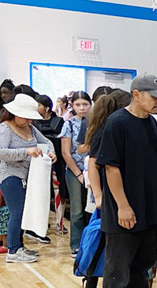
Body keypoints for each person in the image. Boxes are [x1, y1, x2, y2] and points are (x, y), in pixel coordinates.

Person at [95, 74, 157, 288]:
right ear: (137, 94)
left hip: (149, 206)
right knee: (119, 267)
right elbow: (111, 167)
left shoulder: (150, 122)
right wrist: (123, 206)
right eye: (154, 97)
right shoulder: (117, 123)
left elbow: (149, 159)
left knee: (143, 264)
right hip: (124, 210)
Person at [84, 89, 133, 288]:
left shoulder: (117, 129)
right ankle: (89, 286)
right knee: (99, 241)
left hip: (114, 194)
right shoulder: (104, 132)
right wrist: (98, 196)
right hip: (104, 196)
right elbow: (93, 165)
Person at [0, 94, 56, 263]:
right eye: (26, 116)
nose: (29, 120)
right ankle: (13, 250)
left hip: (28, 176)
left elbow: (47, 142)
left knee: (23, 212)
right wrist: (26, 151)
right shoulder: (3, 129)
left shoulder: (31, 128)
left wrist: (51, 152)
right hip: (9, 175)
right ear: (15, 113)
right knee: (17, 212)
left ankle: (19, 246)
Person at [59, 91, 93, 257]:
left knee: (92, 208)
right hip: (75, 171)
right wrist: (79, 174)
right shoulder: (69, 125)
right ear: (72, 106)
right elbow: (66, 153)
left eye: (85, 104)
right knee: (77, 210)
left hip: (94, 170)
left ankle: (91, 242)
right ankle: (76, 244)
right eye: (78, 105)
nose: (82, 108)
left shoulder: (95, 123)